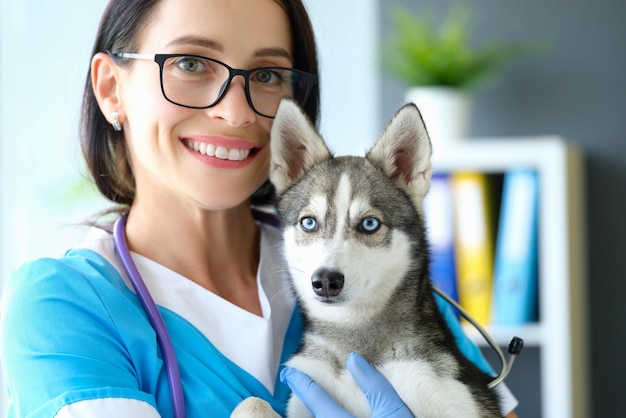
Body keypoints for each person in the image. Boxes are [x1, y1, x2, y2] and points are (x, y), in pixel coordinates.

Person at [0, 0, 519, 417]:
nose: (235, 111)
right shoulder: (64, 311)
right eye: (189, 63)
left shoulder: (379, 275)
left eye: (268, 74)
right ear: (112, 89)